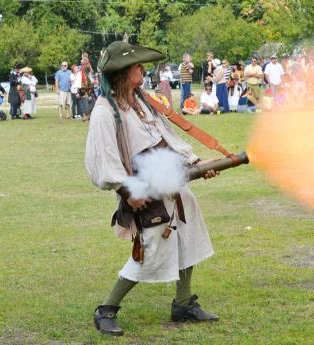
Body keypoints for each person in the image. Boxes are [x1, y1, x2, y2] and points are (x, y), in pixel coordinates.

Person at [86, 40, 219, 337]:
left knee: (189, 236)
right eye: (136, 65)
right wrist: (127, 191)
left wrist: (195, 161)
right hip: (143, 191)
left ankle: (183, 303)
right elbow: (103, 162)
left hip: (173, 184)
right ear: (121, 71)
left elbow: (167, 138)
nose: (142, 69)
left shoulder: (143, 102)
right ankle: (106, 309)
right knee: (148, 251)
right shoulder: (105, 111)